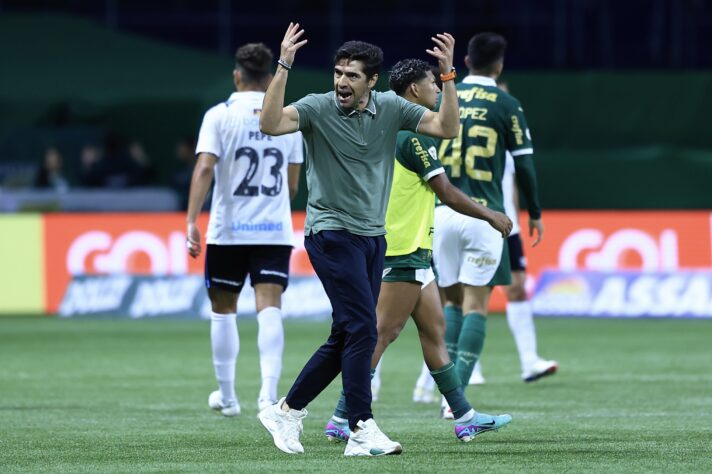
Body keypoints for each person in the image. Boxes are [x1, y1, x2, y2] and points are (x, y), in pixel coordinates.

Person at [257, 22, 459, 456]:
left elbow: (447, 128)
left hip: (372, 237)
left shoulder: (390, 108)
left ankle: (287, 411)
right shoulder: (316, 107)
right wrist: (285, 64)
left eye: (352, 75)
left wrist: (447, 77)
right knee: (363, 328)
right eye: (338, 72)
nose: (341, 81)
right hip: (330, 233)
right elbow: (271, 123)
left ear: (371, 81)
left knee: (346, 334)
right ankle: (361, 428)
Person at [322, 58, 514, 445]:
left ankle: (464, 416)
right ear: (415, 90)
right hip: (401, 247)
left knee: (434, 331)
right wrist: (489, 214)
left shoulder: (378, 123)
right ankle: (343, 416)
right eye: (434, 84)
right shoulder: (411, 135)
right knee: (382, 333)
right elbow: (446, 192)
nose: (438, 91)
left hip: (407, 246)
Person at [185, 42, 303, 417]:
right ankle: (268, 397)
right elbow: (293, 185)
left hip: (229, 230)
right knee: (269, 308)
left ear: (237, 75)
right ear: (270, 78)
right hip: (273, 229)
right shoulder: (288, 117)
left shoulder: (219, 115)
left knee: (224, 310)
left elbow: (204, 169)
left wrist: (191, 220)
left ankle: (228, 396)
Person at [434, 32, 544, 417]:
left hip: (441, 213)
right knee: (477, 305)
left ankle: (446, 391)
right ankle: (457, 400)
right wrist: (535, 212)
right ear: (499, 65)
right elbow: (525, 164)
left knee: (450, 302)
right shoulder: (506, 103)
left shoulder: (442, 97)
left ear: (465, 61)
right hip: (485, 215)